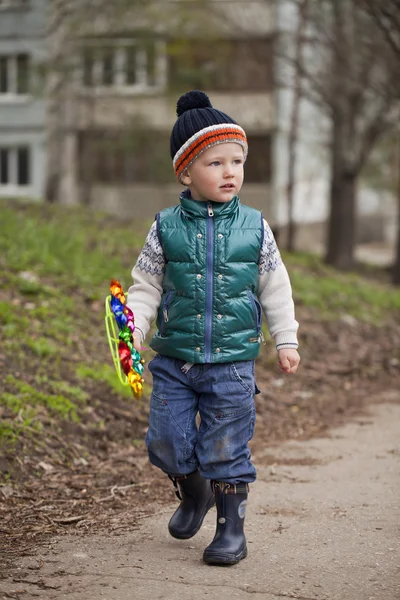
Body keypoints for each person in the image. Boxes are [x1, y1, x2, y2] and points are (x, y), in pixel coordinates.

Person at [127, 90, 300, 566]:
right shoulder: (164, 228)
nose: (230, 172)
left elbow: (275, 287)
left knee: (225, 447)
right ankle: (193, 492)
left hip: (232, 366)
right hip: (175, 361)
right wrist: (134, 330)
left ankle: (230, 530)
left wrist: (286, 338)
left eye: (237, 161)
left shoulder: (255, 227)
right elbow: (145, 287)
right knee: (166, 440)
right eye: (216, 163)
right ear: (185, 171)